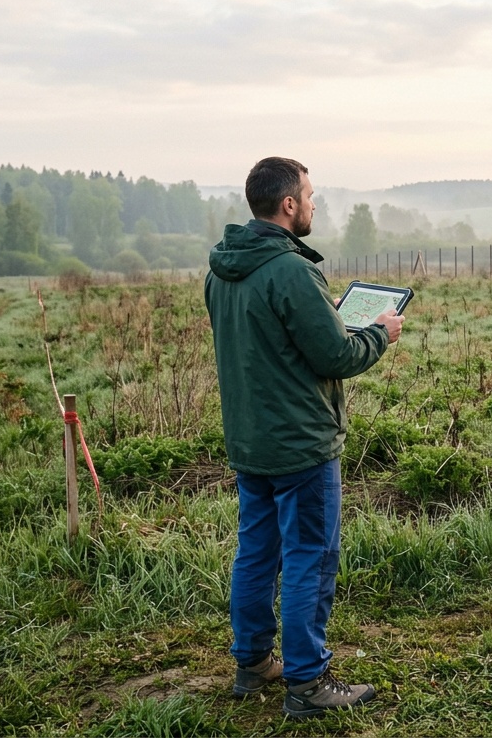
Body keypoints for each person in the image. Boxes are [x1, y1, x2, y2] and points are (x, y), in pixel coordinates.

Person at [204, 156, 403, 718]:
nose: (315, 204)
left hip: (250, 441)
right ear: (288, 204)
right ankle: (309, 683)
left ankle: (252, 662)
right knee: (310, 559)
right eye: (310, 196)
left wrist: (325, 315)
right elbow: (335, 355)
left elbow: (268, 340)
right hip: (301, 444)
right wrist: (379, 334)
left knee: (257, 554)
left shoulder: (220, 270)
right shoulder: (292, 269)